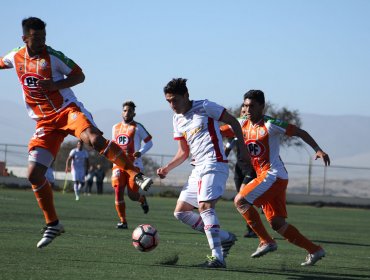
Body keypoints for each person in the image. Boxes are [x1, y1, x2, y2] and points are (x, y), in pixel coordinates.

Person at [0, 17, 153, 249]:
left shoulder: (53, 56)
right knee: (34, 174)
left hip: (67, 110)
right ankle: (52, 223)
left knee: (93, 139)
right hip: (44, 122)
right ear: (24, 39)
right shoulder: (15, 56)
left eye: (43, 38)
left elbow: (80, 75)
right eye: (36, 39)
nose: (41, 42)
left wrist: (55, 85)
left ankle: (135, 174)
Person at [223, 90, 329, 266]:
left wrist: (318, 149)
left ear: (262, 107)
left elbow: (300, 132)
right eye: (245, 105)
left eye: (252, 106)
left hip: (273, 174)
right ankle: (314, 250)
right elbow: (219, 130)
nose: (247, 109)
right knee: (277, 223)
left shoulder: (271, 124)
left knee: (240, 200)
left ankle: (266, 241)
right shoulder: (241, 124)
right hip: (271, 177)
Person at [157, 78, 249, 268]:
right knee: (181, 212)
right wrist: (167, 168)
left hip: (215, 164)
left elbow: (233, 122)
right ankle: (225, 238)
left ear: (186, 95)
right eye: (168, 101)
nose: (172, 105)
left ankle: (218, 258)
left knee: (205, 207)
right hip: (197, 168)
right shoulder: (177, 119)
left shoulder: (206, 106)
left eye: (175, 100)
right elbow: (183, 152)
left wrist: (243, 148)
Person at [111, 101, 153, 229]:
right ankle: (123, 221)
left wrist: (140, 152)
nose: (127, 113)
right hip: (118, 164)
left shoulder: (138, 127)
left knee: (132, 195)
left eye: (129, 111)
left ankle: (142, 199)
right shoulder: (115, 127)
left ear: (134, 113)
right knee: (118, 190)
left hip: (134, 165)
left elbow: (149, 143)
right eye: (125, 110)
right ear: (122, 112)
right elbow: (113, 145)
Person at [223, 105, 257, 238]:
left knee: (243, 198)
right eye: (242, 112)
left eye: (246, 112)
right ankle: (251, 228)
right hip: (239, 169)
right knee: (241, 200)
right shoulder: (234, 134)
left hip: (251, 169)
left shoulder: (252, 132)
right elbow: (227, 150)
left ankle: (253, 229)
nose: (245, 114)